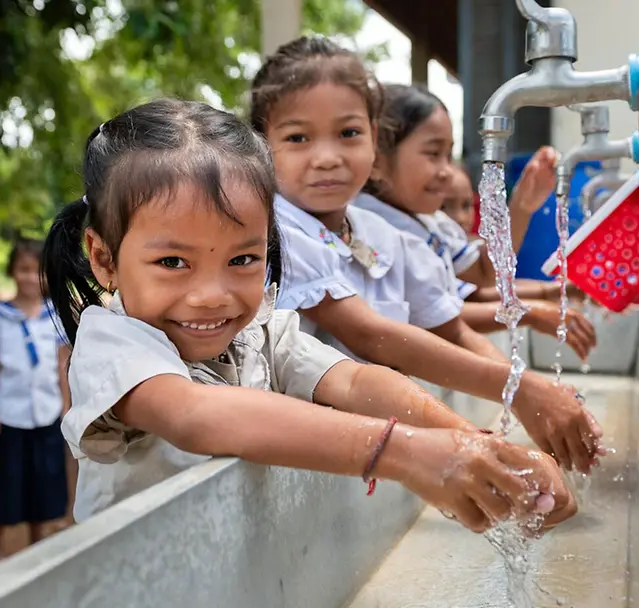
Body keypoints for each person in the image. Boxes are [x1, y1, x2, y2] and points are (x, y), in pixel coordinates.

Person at [42, 99, 576, 532]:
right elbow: (195, 415)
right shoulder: (114, 341)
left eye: (243, 259)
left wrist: (476, 446)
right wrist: (407, 455)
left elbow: (355, 380)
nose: (212, 295)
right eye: (173, 262)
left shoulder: (260, 328)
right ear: (104, 258)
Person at [251, 36, 601, 473]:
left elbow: (451, 329)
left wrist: (531, 394)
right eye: (298, 137)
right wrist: (520, 390)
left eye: (349, 133)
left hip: (376, 438)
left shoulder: (382, 234)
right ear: (260, 148)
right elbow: (368, 333)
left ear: (374, 143)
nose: (327, 157)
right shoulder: (275, 228)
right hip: (303, 453)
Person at [355, 84, 597, 359]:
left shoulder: (428, 221)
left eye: (448, 155)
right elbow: (437, 319)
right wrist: (534, 311)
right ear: (377, 157)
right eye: (433, 154)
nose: (447, 171)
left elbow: (483, 273)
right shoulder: (369, 230)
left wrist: (522, 206)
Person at [0, 238, 70, 564]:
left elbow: (61, 364)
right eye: (23, 270)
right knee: (4, 479)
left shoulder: (55, 316)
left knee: (43, 480)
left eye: (37, 271)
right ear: (12, 273)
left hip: (47, 412)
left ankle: (36, 545)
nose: (30, 278)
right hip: (10, 413)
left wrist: (67, 408)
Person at [441, 165, 585, 303]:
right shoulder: (432, 246)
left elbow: (497, 284)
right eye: (443, 206)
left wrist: (560, 289)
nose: (460, 218)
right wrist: (556, 291)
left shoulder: (469, 244)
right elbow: (479, 296)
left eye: (466, 205)